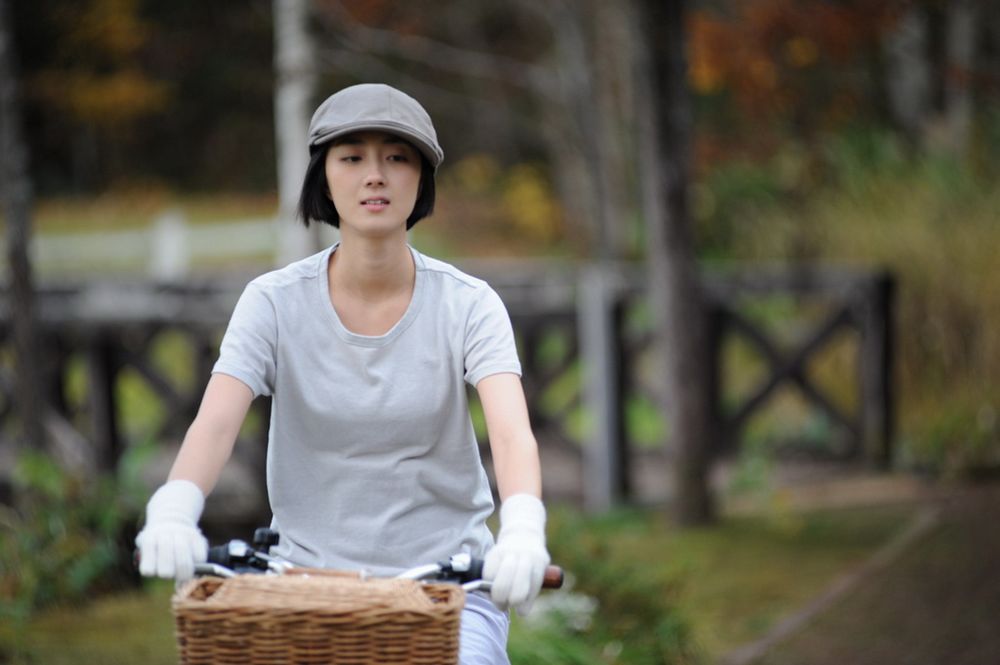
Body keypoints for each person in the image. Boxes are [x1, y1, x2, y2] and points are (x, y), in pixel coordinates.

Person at [134, 83, 550, 664]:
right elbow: (215, 425)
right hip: (302, 586)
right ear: (324, 178)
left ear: (422, 179)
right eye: (352, 158)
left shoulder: (469, 304)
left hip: (447, 588)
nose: (374, 176)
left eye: (396, 158)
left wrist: (524, 528)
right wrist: (174, 508)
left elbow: (510, 434)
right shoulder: (273, 302)